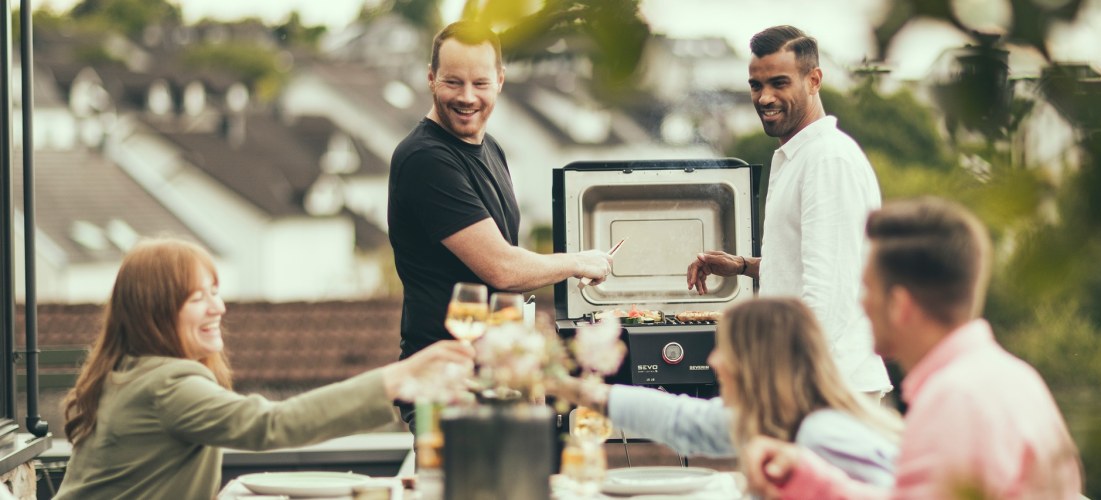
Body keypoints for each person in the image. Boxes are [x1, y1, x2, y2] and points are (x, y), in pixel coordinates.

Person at [55, 238, 474, 499]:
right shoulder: (166, 385)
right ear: (157, 311)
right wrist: (396, 379)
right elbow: (271, 425)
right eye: (198, 297)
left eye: (215, 292)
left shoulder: (128, 372)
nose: (218, 307)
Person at [742, 197, 1083, 499]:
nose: (862, 305)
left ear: (900, 305)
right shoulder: (1009, 376)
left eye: (868, 289)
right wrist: (805, 478)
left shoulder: (955, 401)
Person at [388, 21, 611, 420]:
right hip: (448, 390)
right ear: (430, 78)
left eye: (480, 83)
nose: (467, 97)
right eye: (453, 82)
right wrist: (577, 261)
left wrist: (526, 372)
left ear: (501, 81)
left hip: (498, 381)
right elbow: (502, 269)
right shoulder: (427, 159)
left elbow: (505, 283)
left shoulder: (491, 149)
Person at [686, 26, 889, 396]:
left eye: (779, 83)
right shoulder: (803, 156)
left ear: (814, 80)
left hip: (826, 387)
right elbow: (810, 263)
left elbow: (828, 292)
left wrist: (784, 384)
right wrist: (743, 266)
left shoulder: (827, 160)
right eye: (755, 85)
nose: (765, 98)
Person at [551, 297, 903, 486]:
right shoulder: (778, 421)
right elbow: (683, 421)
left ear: (757, 363)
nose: (715, 361)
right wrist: (569, 388)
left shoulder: (822, 435)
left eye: (725, 349)